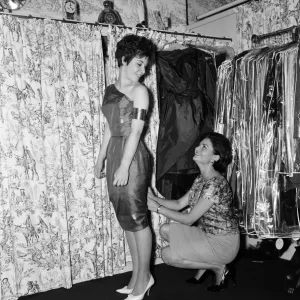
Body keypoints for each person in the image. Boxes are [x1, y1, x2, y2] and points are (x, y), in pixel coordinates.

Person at [94, 34, 155, 300]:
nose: (143, 71)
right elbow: (110, 128)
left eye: (145, 67)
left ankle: (144, 280)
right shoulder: (110, 90)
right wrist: (101, 159)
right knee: (126, 219)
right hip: (117, 155)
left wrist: (124, 166)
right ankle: (136, 276)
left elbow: (137, 131)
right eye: (138, 65)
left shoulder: (141, 91)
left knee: (138, 219)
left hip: (134, 158)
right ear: (122, 60)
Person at [147, 132, 240, 291]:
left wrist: (158, 208)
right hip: (206, 234)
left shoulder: (215, 184)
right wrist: (153, 197)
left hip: (223, 243)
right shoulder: (201, 179)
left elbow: (189, 219)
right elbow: (178, 204)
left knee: (167, 255)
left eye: (204, 147)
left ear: (215, 157)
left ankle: (218, 267)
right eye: (199, 145)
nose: (197, 148)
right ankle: (206, 264)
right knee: (165, 230)